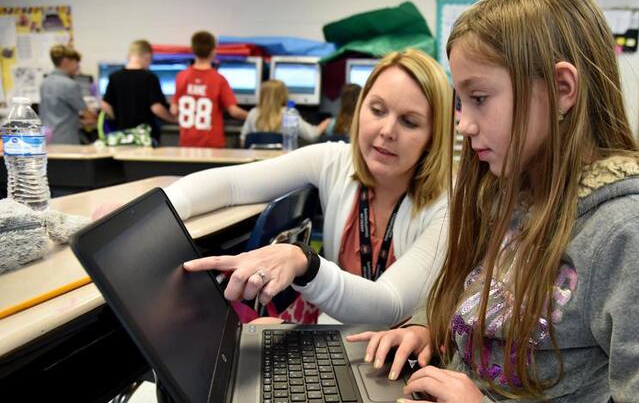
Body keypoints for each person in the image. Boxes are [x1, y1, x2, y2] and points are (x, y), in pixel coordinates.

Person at [348, 0, 639, 403]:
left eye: (479, 98)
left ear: (562, 89)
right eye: (461, 101)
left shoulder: (634, 231)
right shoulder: (507, 189)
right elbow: (476, 294)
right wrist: (426, 326)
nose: (463, 124)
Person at [168, 49, 452, 325]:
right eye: (377, 110)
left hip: (399, 356)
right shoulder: (335, 161)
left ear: (433, 136)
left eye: (409, 122)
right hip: (335, 335)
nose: (387, 130)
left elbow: (390, 305)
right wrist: (160, 208)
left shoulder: (447, 203)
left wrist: (305, 262)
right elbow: (232, 184)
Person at [170, 31, 248, 148]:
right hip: (212, 144)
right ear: (213, 51)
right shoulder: (219, 79)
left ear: (192, 49)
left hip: (187, 143)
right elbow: (234, 111)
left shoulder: (181, 76)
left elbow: (174, 110)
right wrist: (254, 116)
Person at [101, 39, 176, 143]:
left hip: (122, 136)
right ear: (147, 56)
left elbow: (105, 104)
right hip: (145, 137)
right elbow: (156, 108)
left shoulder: (114, 77)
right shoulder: (149, 78)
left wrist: (118, 119)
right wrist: (173, 119)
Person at [239, 79, 330, 146]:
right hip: (282, 165)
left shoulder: (253, 113)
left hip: (257, 165)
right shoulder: (289, 113)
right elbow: (312, 135)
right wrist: (326, 122)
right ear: (283, 95)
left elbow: (243, 141)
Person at [38, 44, 96, 144]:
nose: (78, 66)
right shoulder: (70, 85)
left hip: (47, 139)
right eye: (76, 62)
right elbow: (87, 114)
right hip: (66, 140)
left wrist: (78, 122)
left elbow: (57, 115)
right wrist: (95, 117)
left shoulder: (44, 83)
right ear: (66, 61)